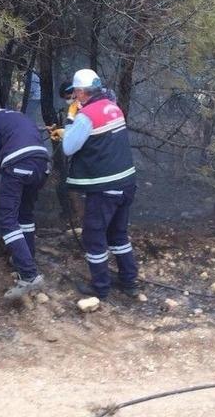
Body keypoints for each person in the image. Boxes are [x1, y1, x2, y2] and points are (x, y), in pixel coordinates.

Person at [50, 69, 140, 299]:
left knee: (94, 236)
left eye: (76, 93)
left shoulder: (85, 116)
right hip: (126, 182)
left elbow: (69, 148)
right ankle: (129, 282)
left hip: (104, 187)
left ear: (80, 91)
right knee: (118, 234)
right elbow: (98, 137)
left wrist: (69, 123)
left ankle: (100, 288)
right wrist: (70, 130)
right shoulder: (113, 108)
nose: (74, 97)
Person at [0, 95, 50, 300]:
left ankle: (29, 274)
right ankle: (27, 258)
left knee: (7, 219)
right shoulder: (16, 116)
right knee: (25, 215)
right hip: (42, 165)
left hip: (19, 165)